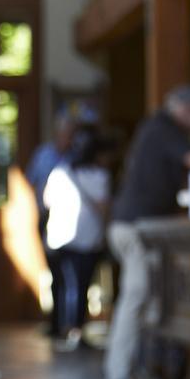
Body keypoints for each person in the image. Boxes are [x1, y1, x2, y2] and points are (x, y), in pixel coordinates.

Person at [104, 85, 190, 379]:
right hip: (135, 228)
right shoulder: (163, 127)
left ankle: (138, 368)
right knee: (137, 296)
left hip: (134, 226)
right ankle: (119, 373)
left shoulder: (155, 127)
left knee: (148, 298)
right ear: (184, 109)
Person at [42, 128, 112, 350]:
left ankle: (62, 327)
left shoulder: (60, 172)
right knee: (81, 286)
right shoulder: (99, 176)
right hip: (87, 238)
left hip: (59, 237)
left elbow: (46, 202)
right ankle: (76, 330)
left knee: (62, 284)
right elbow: (104, 207)